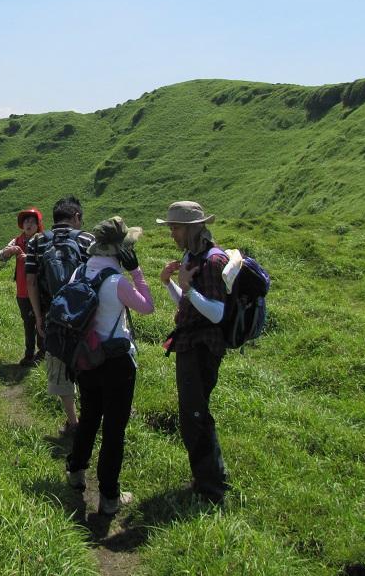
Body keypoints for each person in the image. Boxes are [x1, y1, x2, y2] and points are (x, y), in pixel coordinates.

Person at [65, 216, 154, 516]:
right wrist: (136, 271)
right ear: (121, 250)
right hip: (116, 361)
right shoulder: (117, 282)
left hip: (87, 358)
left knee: (89, 416)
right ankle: (109, 497)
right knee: (114, 430)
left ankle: (76, 471)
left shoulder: (79, 271)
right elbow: (147, 307)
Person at [157, 201, 230, 504]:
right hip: (189, 343)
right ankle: (210, 477)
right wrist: (169, 284)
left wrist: (188, 289)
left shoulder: (213, 261)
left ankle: (211, 488)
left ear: (191, 229)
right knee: (194, 413)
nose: (171, 233)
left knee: (195, 416)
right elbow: (188, 306)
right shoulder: (192, 256)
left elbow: (216, 313)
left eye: (175, 228)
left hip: (203, 348)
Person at [26, 196, 95, 435]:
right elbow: (96, 277)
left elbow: (31, 282)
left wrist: (38, 317)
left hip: (52, 315)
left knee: (59, 367)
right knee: (89, 364)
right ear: (76, 217)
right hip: (85, 316)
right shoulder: (87, 239)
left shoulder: (36, 242)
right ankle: (91, 417)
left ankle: (73, 423)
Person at [0, 207, 44, 366]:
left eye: (32, 222)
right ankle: (29, 354)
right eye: (26, 221)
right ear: (22, 225)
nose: (29, 224)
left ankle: (42, 353)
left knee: (41, 321)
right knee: (28, 323)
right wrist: (9, 251)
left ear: (38, 225)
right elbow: (1, 257)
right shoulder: (16, 241)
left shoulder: (43, 239)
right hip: (23, 290)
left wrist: (29, 257)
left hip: (40, 289)